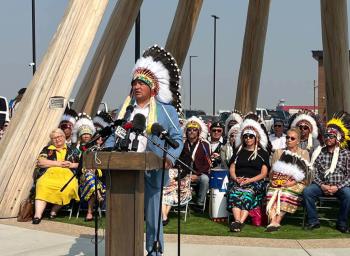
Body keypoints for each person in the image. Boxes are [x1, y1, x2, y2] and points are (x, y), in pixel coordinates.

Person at [116, 45, 183, 255]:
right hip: (125, 172)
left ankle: (154, 252)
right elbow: (112, 135)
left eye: (141, 83)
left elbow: (177, 138)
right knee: (126, 216)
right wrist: (103, 155)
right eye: (134, 83)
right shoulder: (127, 110)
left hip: (153, 171)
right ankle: (127, 250)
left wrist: (170, 159)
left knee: (153, 219)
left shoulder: (165, 110)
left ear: (152, 88)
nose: (136, 86)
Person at [303, 112, 350, 233]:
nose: (328, 138)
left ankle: (342, 223)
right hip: (321, 185)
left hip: (339, 186)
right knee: (307, 192)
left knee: (348, 195)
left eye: (331, 136)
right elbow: (313, 172)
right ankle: (313, 221)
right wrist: (322, 185)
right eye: (326, 136)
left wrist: (336, 187)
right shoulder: (319, 152)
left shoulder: (345, 153)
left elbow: (349, 176)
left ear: (337, 138)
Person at [227, 114, 270, 232]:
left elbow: (264, 173)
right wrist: (236, 179)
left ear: (256, 137)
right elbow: (232, 168)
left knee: (248, 194)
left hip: (254, 182)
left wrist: (249, 180)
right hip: (238, 180)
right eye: (245, 136)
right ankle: (237, 221)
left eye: (251, 136)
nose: (248, 139)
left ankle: (239, 222)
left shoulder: (263, 153)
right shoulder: (238, 151)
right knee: (235, 193)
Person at [265, 128, 310, 232]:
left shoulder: (304, 153)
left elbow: (305, 174)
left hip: (296, 183)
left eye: (292, 138)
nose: (289, 140)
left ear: (298, 141)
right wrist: (273, 180)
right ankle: (272, 221)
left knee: (285, 193)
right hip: (278, 181)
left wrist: (291, 183)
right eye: (287, 137)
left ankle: (277, 221)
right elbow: (272, 171)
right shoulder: (278, 152)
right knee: (272, 192)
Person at [32, 128, 80, 224]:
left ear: (64, 137)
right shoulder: (47, 149)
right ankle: (37, 215)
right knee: (42, 185)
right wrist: (58, 164)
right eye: (54, 138)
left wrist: (71, 165)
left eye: (59, 137)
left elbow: (80, 164)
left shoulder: (73, 150)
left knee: (69, 187)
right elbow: (41, 162)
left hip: (67, 175)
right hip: (49, 174)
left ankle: (54, 211)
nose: (57, 139)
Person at [181, 116, 211, 210]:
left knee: (205, 179)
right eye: (189, 129)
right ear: (186, 131)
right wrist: (184, 174)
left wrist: (197, 175)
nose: (192, 132)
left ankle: (200, 203)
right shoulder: (182, 143)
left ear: (198, 131)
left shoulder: (205, 144)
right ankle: (180, 203)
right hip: (184, 173)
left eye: (195, 129)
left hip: (199, 174)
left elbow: (207, 164)